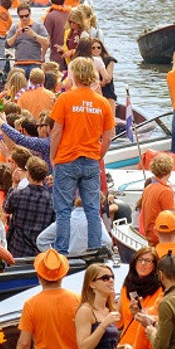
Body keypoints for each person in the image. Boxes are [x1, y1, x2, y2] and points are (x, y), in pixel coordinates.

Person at [49, 57, 115, 254]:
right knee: (92, 210)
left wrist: (53, 157)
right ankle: (94, 251)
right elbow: (109, 136)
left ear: (74, 75)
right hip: (90, 160)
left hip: (67, 159)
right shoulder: (102, 102)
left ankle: (62, 252)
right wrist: (98, 156)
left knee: (63, 210)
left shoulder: (65, 99)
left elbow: (56, 132)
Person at [12, 249, 79, 349]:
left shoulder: (31, 305)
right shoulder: (78, 300)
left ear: (39, 276)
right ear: (63, 275)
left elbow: (23, 345)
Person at [71, 263, 127, 349]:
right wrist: (103, 324)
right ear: (92, 284)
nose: (111, 280)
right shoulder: (86, 310)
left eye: (112, 277)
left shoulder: (109, 310)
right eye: (105, 278)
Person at [116, 248, 164, 349]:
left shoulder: (161, 289)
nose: (143, 264)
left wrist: (141, 313)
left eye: (148, 261)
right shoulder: (126, 286)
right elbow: (119, 319)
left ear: (155, 265)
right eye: (140, 260)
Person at [3, 156, 55, 258]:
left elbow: (6, 208)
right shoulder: (51, 200)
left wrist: (13, 185)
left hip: (17, 250)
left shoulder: (18, 194)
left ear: (29, 174)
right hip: (39, 253)